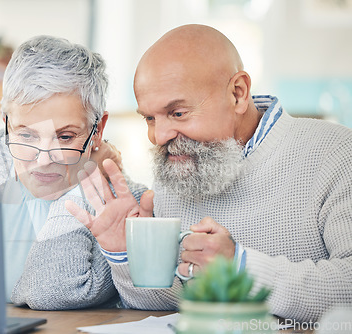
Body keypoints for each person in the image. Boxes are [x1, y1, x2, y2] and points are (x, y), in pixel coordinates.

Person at [66, 24, 352, 322]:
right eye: (149, 118)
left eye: (178, 113)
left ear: (238, 93)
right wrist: (127, 258)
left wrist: (240, 269)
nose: (158, 136)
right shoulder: (179, 165)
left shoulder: (337, 153)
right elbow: (170, 303)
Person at [0, 35, 147, 310]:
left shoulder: (121, 206)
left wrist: (83, 185)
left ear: (98, 130)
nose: (44, 160)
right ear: (6, 124)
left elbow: (49, 291)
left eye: (66, 137)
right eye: (27, 135)